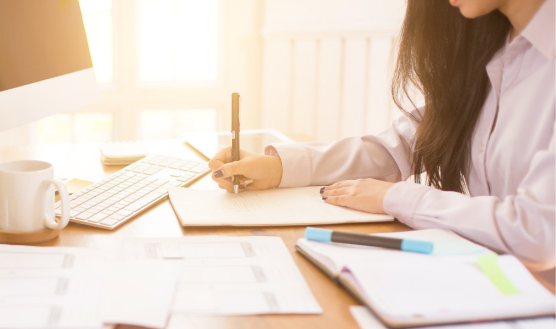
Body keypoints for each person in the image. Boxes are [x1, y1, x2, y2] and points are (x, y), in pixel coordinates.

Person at [210, 0, 555, 280]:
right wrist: (279, 168)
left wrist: (396, 197)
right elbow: (402, 145)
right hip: (495, 282)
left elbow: (537, 232)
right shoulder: (496, 47)